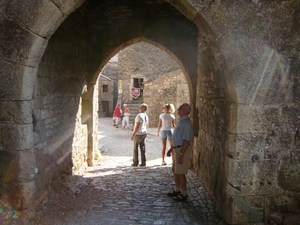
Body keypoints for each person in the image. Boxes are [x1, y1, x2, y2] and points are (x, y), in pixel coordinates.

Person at [166, 103, 193, 201]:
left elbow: (186, 140)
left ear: (186, 111)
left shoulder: (186, 123)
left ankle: (184, 194)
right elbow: (177, 137)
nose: (178, 109)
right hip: (177, 149)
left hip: (182, 150)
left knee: (181, 172)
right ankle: (177, 189)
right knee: (175, 170)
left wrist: (181, 154)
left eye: (180, 109)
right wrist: (171, 148)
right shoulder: (181, 121)